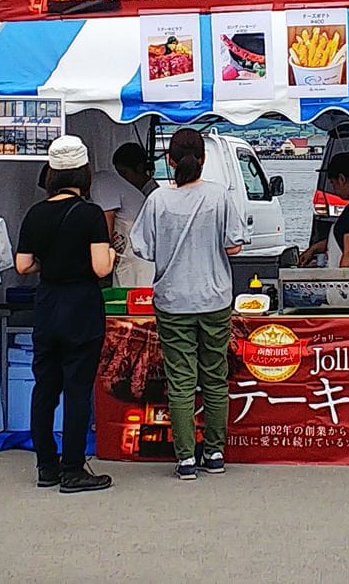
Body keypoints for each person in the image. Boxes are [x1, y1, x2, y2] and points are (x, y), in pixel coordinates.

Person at [130, 128, 247, 480]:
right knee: (215, 377)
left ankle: (184, 459)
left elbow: (142, 248)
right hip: (213, 297)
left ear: (169, 160)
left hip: (173, 299)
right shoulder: (219, 196)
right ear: (204, 158)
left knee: (180, 380)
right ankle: (214, 452)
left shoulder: (157, 201)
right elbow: (235, 246)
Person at [14, 135, 116, 493]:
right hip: (82, 305)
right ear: (84, 173)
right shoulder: (88, 213)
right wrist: (114, 255)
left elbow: (23, 265)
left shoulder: (35, 214)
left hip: (47, 304)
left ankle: (46, 465)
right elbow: (101, 268)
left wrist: (50, 261)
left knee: (45, 387)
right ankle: (73, 467)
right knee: (76, 387)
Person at [91, 142, 158, 289]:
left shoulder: (154, 193)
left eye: (124, 174)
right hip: (129, 260)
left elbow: (105, 230)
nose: (122, 179)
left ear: (140, 168)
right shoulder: (124, 190)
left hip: (140, 263)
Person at [298, 152, 349, 268]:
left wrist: (341, 282)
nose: (333, 187)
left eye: (332, 182)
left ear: (342, 179)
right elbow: (342, 240)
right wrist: (314, 249)